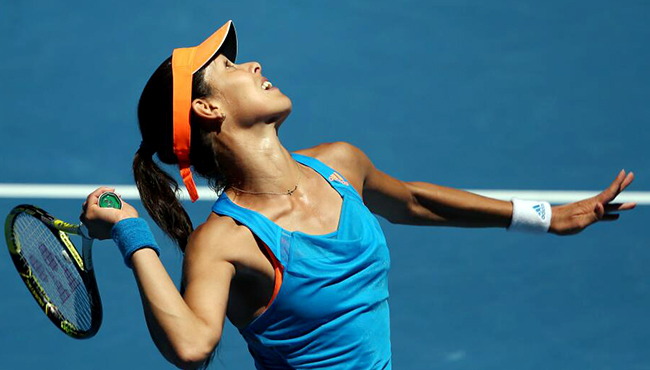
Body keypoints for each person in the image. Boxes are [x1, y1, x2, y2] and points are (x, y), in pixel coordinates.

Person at [80, 20, 637, 370]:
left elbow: (413, 201)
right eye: (230, 67)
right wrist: (132, 233)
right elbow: (191, 347)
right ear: (207, 108)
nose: (254, 64)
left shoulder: (338, 164)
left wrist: (545, 217)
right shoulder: (225, 241)